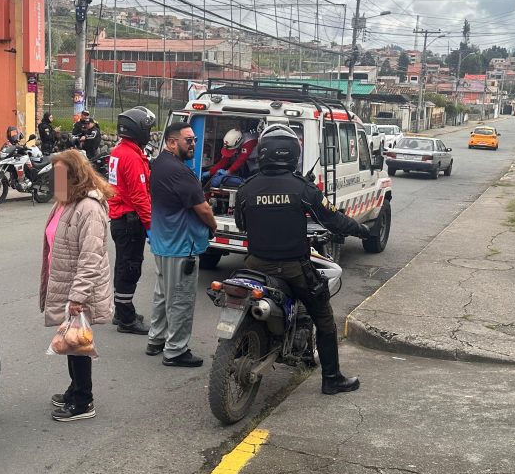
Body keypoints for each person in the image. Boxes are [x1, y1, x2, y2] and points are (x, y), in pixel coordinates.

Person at [234, 124, 370, 395]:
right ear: (293, 154)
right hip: (293, 267)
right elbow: (333, 219)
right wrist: (361, 229)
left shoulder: (246, 189)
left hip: (254, 264)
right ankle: (331, 378)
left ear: (263, 153)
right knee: (324, 317)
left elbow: (241, 225)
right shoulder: (303, 189)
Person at [39, 149, 114, 422]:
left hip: (78, 288)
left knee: (78, 342)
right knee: (70, 342)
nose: (55, 179)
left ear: (75, 175)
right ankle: (75, 390)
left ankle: (84, 401)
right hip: (66, 282)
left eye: (61, 174)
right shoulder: (65, 201)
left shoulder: (89, 208)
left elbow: (91, 256)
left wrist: (78, 296)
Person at [147, 122, 218, 367]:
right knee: (180, 299)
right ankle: (175, 350)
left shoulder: (159, 165)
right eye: (188, 140)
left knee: (162, 293)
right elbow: (203, 209)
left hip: (163, 241)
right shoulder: (179, 171)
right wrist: (214, 226)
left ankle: (156, 339)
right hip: (180, 246)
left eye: (195, 140)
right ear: (171, 142)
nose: (193, 145)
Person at [108, 106, 156, 335]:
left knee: (122, 266)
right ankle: (126, 319)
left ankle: (122, 311)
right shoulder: (131, 156)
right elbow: (139, 196)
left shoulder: (120, 151)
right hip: (129, 220)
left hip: (121, 219)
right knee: (130, 268)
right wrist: (151, 226)